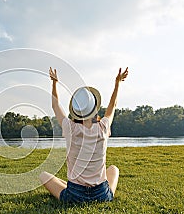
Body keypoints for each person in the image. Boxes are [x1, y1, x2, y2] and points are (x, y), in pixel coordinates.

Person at [39, 67, 129, 203]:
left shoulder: (70, 127)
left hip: (75, 195)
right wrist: (117, 83)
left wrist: (54, 83)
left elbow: (55, 105)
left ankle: (71, 186)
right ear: (94, 108)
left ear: (75, 111)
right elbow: (113, 105)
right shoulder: (103, 126)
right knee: (114, 169)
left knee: (44, 176)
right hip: (101, 195)